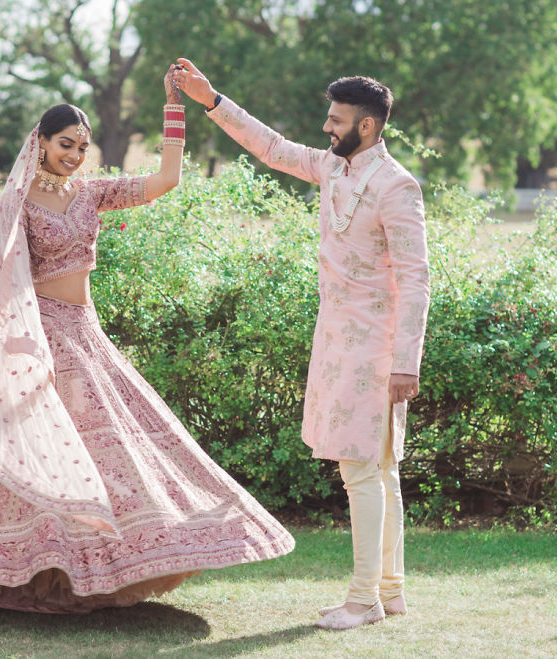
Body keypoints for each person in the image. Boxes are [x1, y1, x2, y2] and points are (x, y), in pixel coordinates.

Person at [0, 66, 294, 613]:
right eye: (66, 144)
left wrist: (174, 110)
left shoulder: (92, 194)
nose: (75, 155)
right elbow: (3, 274)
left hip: (84, 333)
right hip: (38, 336)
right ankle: (22, 568)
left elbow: (164, 182)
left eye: (83, 147)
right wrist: (11, 344)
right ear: (39, 141)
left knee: (110, 447)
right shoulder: (18, 200)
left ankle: (106, 563)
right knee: (34, 452)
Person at [175, 59, 430, 630]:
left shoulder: (397, 186)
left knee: (366, 471)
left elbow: (417, 279)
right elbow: (272, 147)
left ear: (366, 126)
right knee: (374, 472)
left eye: (336, 120)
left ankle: (363, 600)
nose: (325, 127)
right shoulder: (332, 169)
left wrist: (405, 363)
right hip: (336, 338)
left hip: (377, 351)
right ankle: (390, 592)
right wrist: (212, 101)